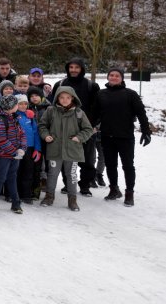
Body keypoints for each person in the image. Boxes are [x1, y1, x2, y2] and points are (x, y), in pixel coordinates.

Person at [94, 68, 151, 207]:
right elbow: (94, 114)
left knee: (128, 166)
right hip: (107, 136)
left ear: (122, 78)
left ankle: (129, 193)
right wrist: (89, 128)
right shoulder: (101, 94)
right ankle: (114, 189)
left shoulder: (130, 94)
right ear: (108, 77)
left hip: (125, 136)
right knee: (111, 165)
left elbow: (141, 113)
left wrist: (146, 131)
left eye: (117, 75)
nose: (114, 77)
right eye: (111, 75)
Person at [50, 57, 100, 197]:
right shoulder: (60, 84)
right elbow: (54, 106)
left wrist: (94, 126)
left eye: (76, 67)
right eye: (71, 67)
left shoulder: (92, 86)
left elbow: (97, 108)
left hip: (86, 129)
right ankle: (68, 184)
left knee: (88, 160)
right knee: (66, 158)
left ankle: (85, 185)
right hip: (64, 129)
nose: (73, 70)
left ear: (82, 69)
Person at [38, 87, 93, 211]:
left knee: (72, 175)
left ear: (73, 98)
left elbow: (88, 129)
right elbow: (42, 125)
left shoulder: (79, 113)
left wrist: (79, 137)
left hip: (72, 150)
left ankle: (72, 199)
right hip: (54, 150)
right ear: (57, 98)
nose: (64, 100)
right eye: (62, 97)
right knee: (52, 174)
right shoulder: (51, 111)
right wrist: (46, 135)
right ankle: (49, 196)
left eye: (68, 97)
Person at [0, 95, 27, 214]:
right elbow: (1, 139)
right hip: (2, 156)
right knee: (0, 178)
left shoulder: (15, 118)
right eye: (16, 104)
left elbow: (22, 135)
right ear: (11, 106)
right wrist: (14, 152)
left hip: (15, 156)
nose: (17, 106)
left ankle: (16, 203)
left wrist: (22, 148)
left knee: (12, 178)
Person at [15, 94, 42, 204]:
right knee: (16, 171)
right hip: (17, 148)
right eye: (20, 103)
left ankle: (26, 194)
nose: (23, 105)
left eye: (25, 103)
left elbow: (35, 133)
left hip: (29, 148)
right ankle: (14, 194)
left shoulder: (30, 117)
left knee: (28, 171)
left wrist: (37, 148)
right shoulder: (13, 116)